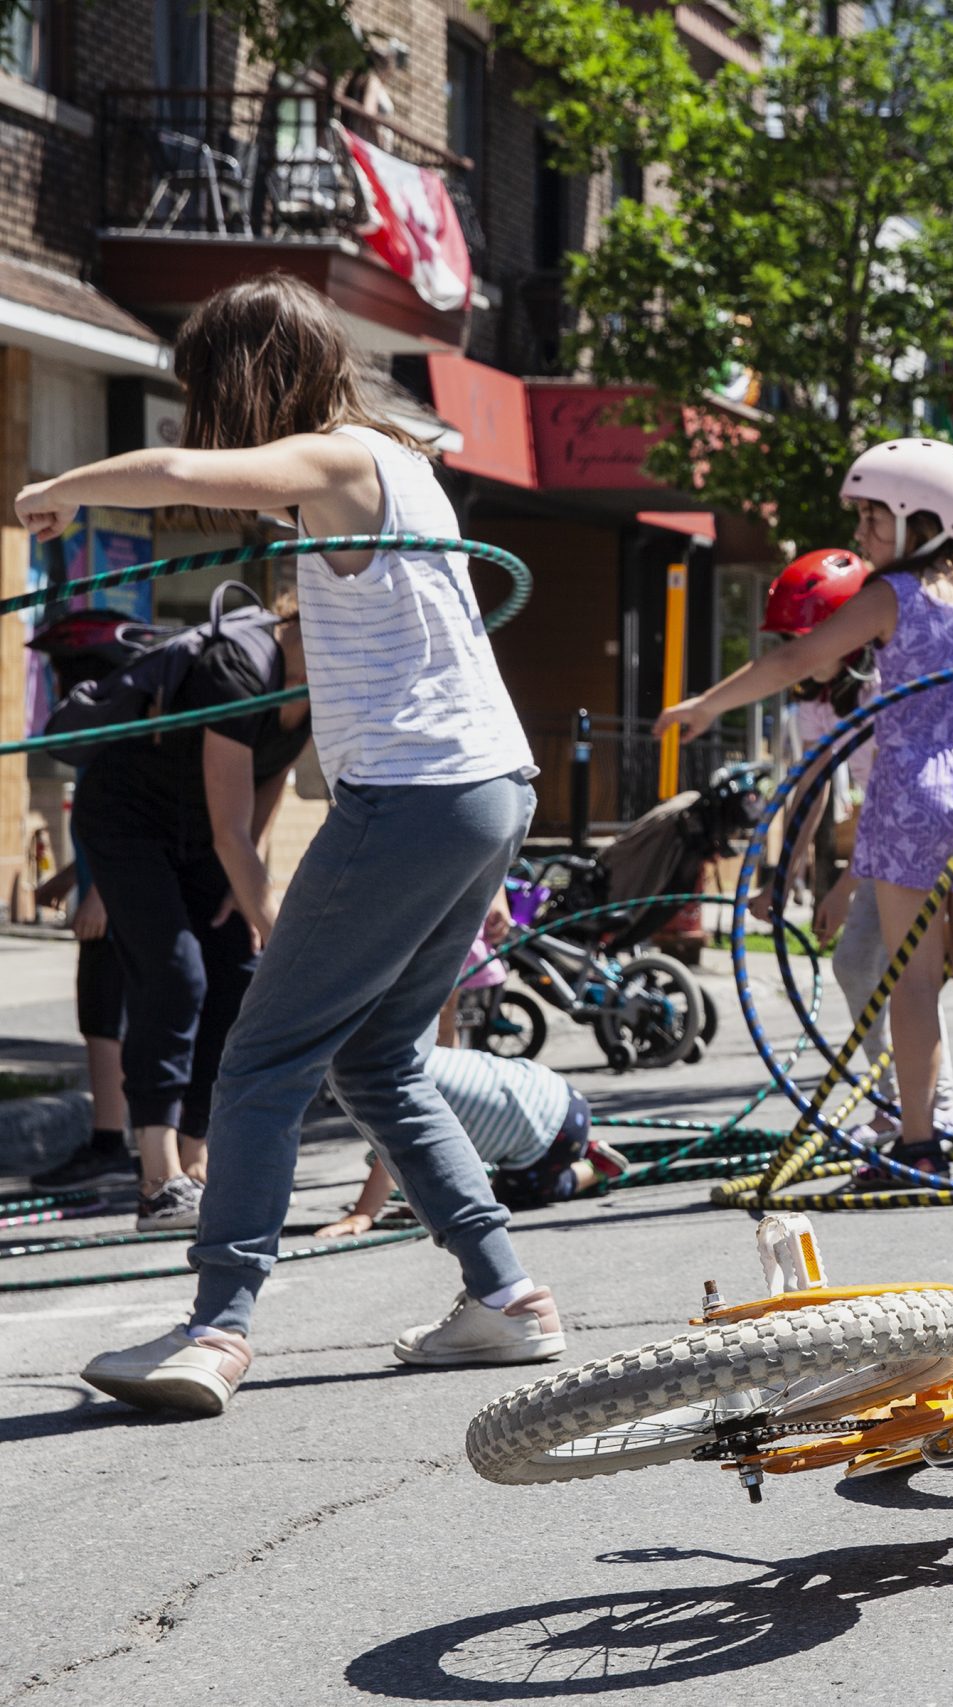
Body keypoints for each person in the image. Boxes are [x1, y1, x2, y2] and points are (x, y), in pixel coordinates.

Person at [32, 273, 557, 1418]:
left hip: (414, 797)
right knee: (375, 1062)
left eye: (200, 393)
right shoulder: (400, 461)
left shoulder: (334, 460)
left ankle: (216, 1328)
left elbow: (176, 476)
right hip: (486, 791)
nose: (194, 421)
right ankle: (505, 1299)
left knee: (262, 1061)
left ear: (245, 382)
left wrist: (58, 490)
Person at [660, 439, 953, 1183]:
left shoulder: (890, 596)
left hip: (911, 792)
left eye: (870, 518)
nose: (859, 534)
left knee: (912, 977)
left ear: (919, 520)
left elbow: (796, 661)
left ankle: (917, 1142)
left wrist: (707, 704)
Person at [67, 590, 310, 1232]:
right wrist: (276, 923)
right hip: (129, 821)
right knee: (175, 975)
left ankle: (196, 1154)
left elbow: (273, 773)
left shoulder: (326, 681)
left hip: (204, 831)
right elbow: (228, 823)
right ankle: (156, 1178)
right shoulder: (237, 667)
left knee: (237, 971)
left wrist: (248, 877)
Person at [758, 549, 953, 1149]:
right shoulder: (817, 702)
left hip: (930, 826)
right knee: (864, 965)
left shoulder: (887, 685)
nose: (804, 652)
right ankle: (895, 1100)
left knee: (900, 967)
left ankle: (939, 1105)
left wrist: (847, 884)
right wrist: (783, 875)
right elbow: (813, 791)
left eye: (811, 637)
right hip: (890, 837)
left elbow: (894, 798)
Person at [316, 1048, 622, 1237]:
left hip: (554, 1129)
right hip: (554, 1090)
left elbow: (393, 1152)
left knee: (513, 1195)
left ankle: (593, 1168)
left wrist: (363, 1213)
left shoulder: (381, 1083)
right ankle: (569, 1155)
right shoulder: (403, 1051)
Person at [27, 859, 131, 1189]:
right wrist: (70, 877)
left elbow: (129, 822)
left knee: (104, 1023)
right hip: (117, 900)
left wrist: (102, 896)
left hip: (119, 913)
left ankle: (110, 1145)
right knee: (106, 1022)